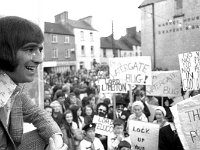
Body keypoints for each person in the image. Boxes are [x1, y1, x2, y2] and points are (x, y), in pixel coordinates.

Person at [0, 16, 67, 149]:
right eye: (30, 49)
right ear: (4, 50)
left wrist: (56, 140)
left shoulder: (14, 91)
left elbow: (39, 115)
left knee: (47, 137)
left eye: (40, 50)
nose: (39, 59)